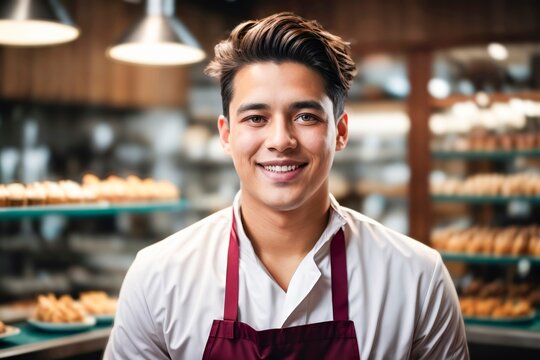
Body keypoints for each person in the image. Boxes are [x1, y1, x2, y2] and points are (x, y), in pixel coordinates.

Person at [104, 12, 469, 359]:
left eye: (305, 116)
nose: (280, 139)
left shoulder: (418, 278)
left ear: (339, 132)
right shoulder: (157, 276)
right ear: (226, 134)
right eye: (256, 117)